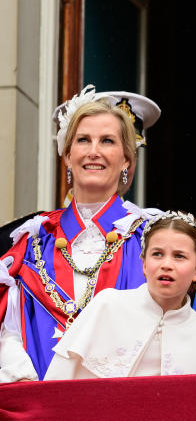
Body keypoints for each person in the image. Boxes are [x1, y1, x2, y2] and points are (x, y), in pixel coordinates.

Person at [0, 86, 162, 382]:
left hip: (125, 407)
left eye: (107, 141)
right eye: (83, 140)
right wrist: (24, 380)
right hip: (41, 406)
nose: (94, 151)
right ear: (67, 156)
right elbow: (8, 330)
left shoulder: (152, 239)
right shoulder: (30, 241)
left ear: (126, 159)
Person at [44, 212, 196, 378]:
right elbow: (58, 379)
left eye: (179, 256)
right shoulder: (107, 305)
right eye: (157, 254)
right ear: (144, 264)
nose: (166, 264)